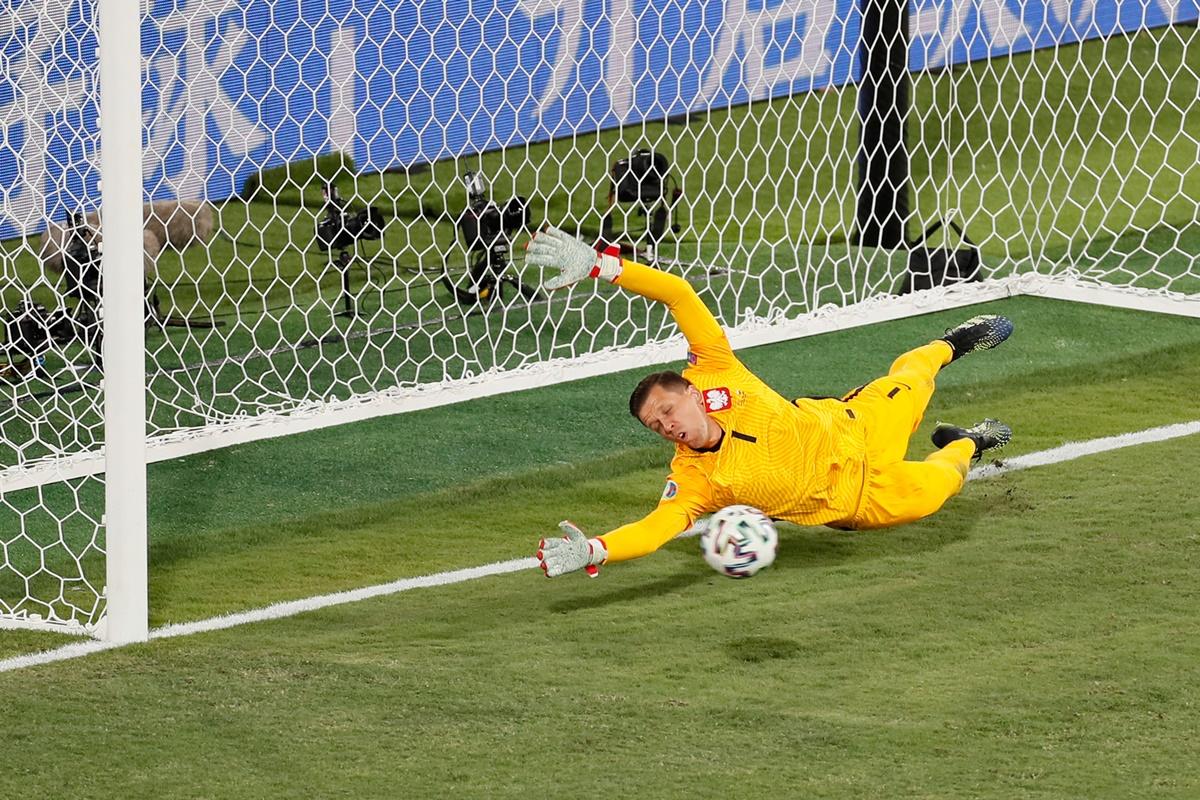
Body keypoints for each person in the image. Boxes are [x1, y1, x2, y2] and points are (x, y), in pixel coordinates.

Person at [526, 227, 1013, 578]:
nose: (666, 426)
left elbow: (678, 294)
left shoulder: (715, 366)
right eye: (656, 426)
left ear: (691, 393)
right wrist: (596, 549)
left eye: (667, 411)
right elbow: (654, 530)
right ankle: (968, 441)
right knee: (941, 485)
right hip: (859, 501)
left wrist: (602, 266)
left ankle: (951, 343)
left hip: (854, 426)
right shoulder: (696, 481)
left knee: (913, 378)